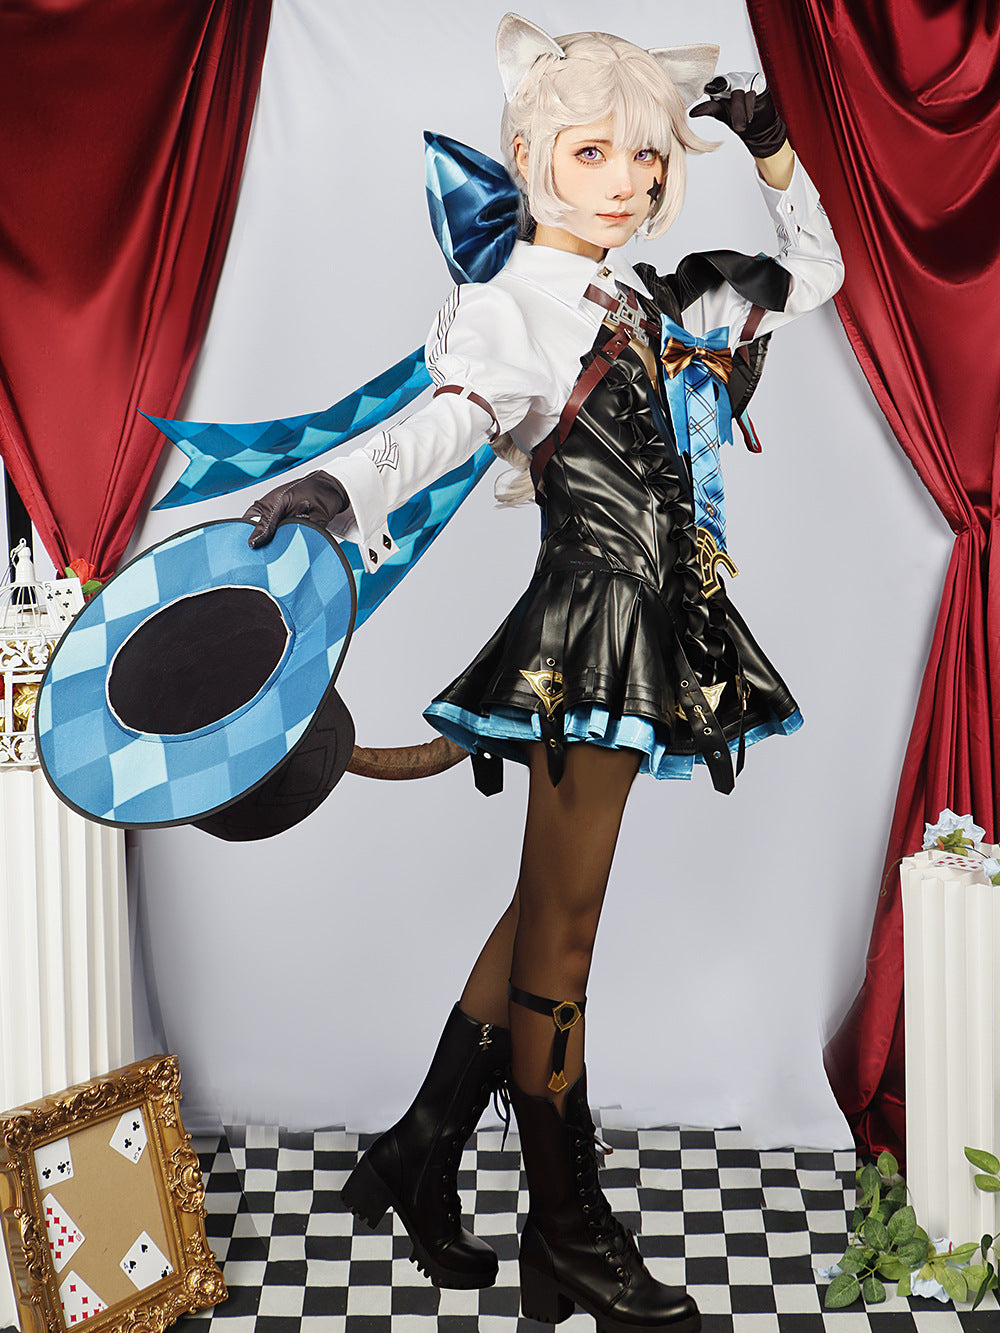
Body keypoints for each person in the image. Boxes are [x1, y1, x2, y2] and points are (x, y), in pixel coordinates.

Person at [244, 14, 843, 1331]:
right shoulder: (509, 310)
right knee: (564, 940)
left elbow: (816, 271)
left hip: (648, 629)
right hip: (592, 642)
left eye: (646, 157)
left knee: (541, 911)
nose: (627, 181)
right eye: (593, 153)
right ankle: (568, 1233)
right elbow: (444, 423)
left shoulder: (653, 297)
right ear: (529, 156)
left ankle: (418, 1149)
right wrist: (340, 488)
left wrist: (772, 152)